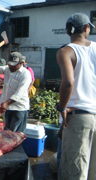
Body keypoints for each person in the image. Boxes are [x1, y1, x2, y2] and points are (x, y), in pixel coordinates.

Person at [56, 13, 96, 180]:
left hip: (79, 118)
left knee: (75, 171)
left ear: (68, 31)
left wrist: (62, 107)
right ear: (87, 28)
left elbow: (68, 83)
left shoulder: (66, 51)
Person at [0, 48, 31, 132]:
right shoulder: (7, 69)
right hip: (8, 107)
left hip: (19, 108)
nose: (11, 66)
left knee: (17, 134)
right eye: (10, 64)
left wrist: (6, 103)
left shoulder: (25, 74)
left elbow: (19, 93)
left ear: (21, 63)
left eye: (14, 65)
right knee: (7, 132)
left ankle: (18, 146)